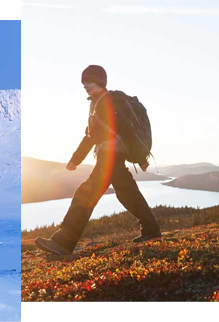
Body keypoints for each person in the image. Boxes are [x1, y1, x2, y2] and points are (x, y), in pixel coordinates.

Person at [34, 65, 161, 255]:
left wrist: (140, 158)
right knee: (129, 195)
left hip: (110, 158)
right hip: (110, 157)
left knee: (84, 195)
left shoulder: (106, 103)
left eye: (89, 80)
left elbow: (121, 131)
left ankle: (63, 242)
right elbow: (93, 134)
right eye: (84, 81)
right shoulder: (98, 102)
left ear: (100, 81)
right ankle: (152, 231)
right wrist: (75, 160)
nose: (85, 85)